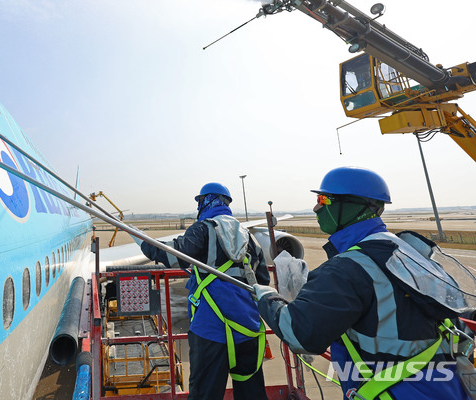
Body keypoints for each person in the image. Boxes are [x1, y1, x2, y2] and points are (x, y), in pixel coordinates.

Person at [255, 166, 474, 400]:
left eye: (323, 199)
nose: (316, 208)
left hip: (394, 393)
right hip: (446, 388)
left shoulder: (346, 269)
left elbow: (300, 333)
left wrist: (267, 297)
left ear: (348, 206)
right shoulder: (411, 252)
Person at [137, 182, 270, 400]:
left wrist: (145, 243)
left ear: (206, 201)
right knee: (251, 393)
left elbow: (172, 255)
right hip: (248, 329)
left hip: (211, 331)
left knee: (205, 394)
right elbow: (263, 280)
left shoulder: (203, 229)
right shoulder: (248, 236)